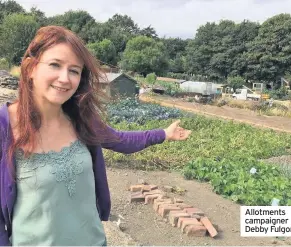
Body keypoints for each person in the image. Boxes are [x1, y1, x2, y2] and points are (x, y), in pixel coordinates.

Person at [0, 26, 191, 246]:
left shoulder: (81, 120)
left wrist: (164, 133)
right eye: (55, 65)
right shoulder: (5, 126)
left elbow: (120, 140)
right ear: (30, 68)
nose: (65, 78)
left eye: (74, 70)